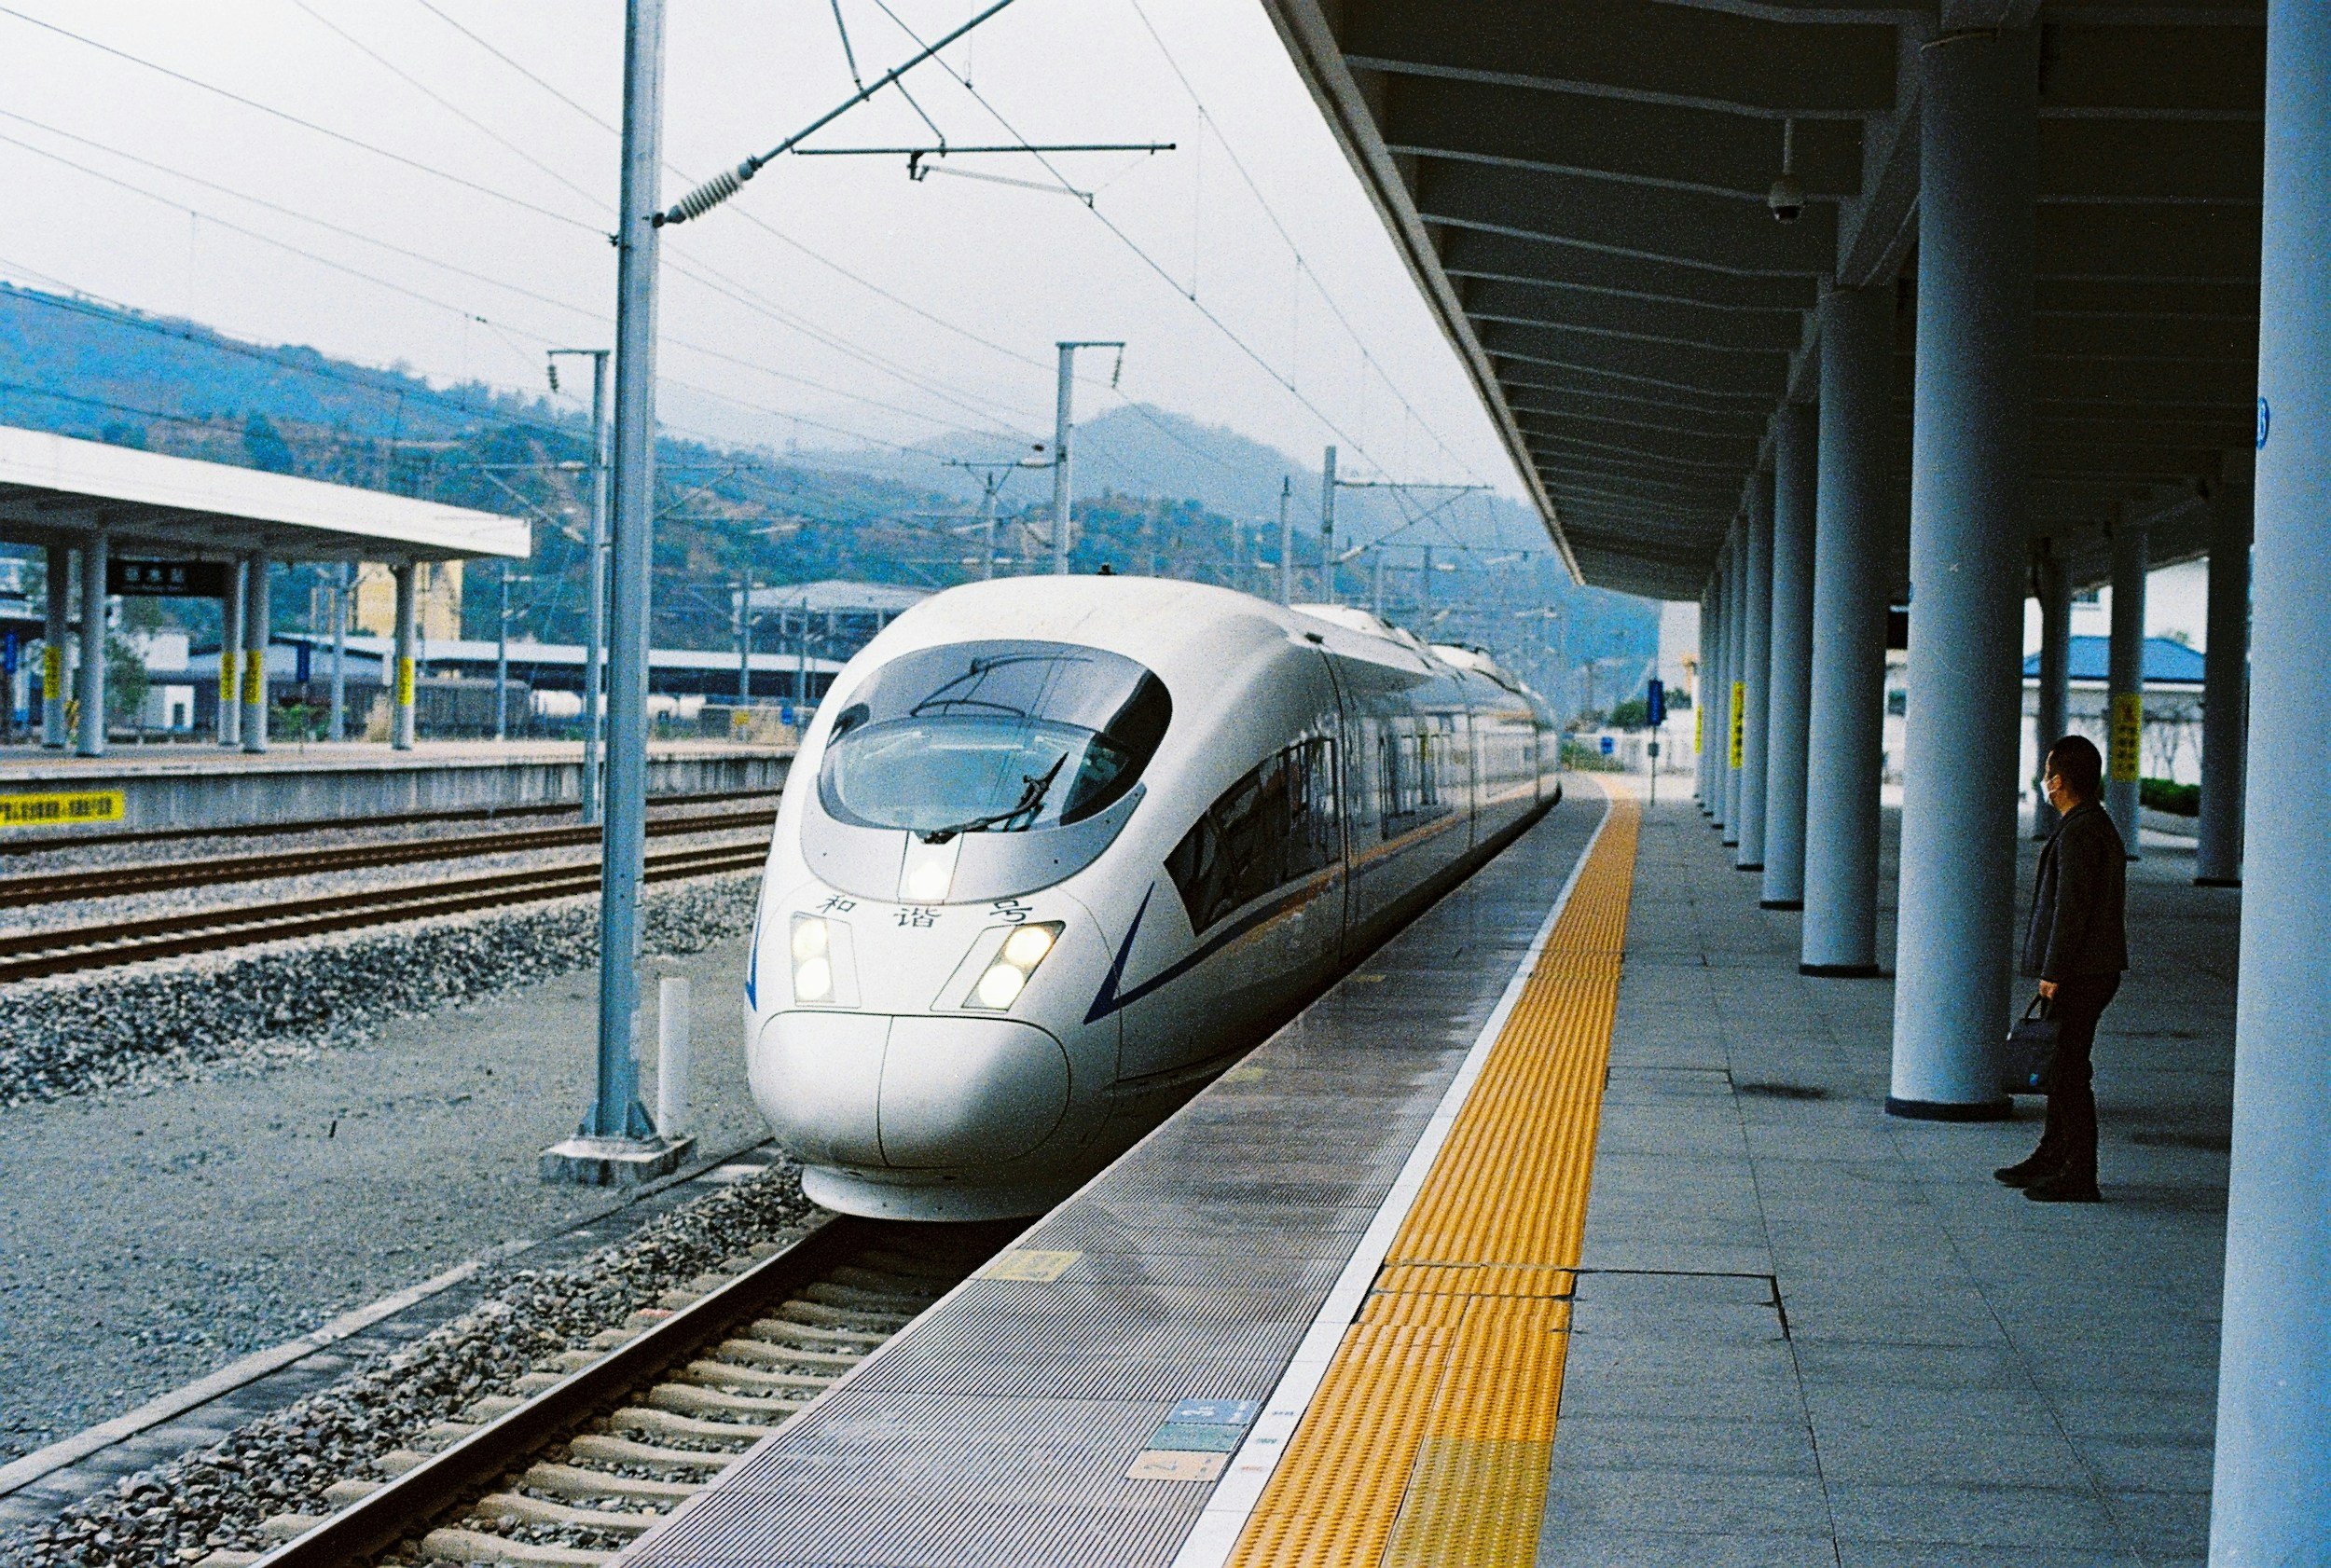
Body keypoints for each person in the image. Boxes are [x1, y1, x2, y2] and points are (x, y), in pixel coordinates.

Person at [1996, 734, 2129, 1203]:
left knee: (2070, 1072)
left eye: (2048, 774)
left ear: (2060, 780)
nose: (2045, 784)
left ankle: (2079, 1173)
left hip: (2081, 972)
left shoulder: (2082, 831)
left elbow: (2072, 909)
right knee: (2061, 1066)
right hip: (2087, 969)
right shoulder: (2089, 825)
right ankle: (2051, 1155)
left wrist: (2053, 972)